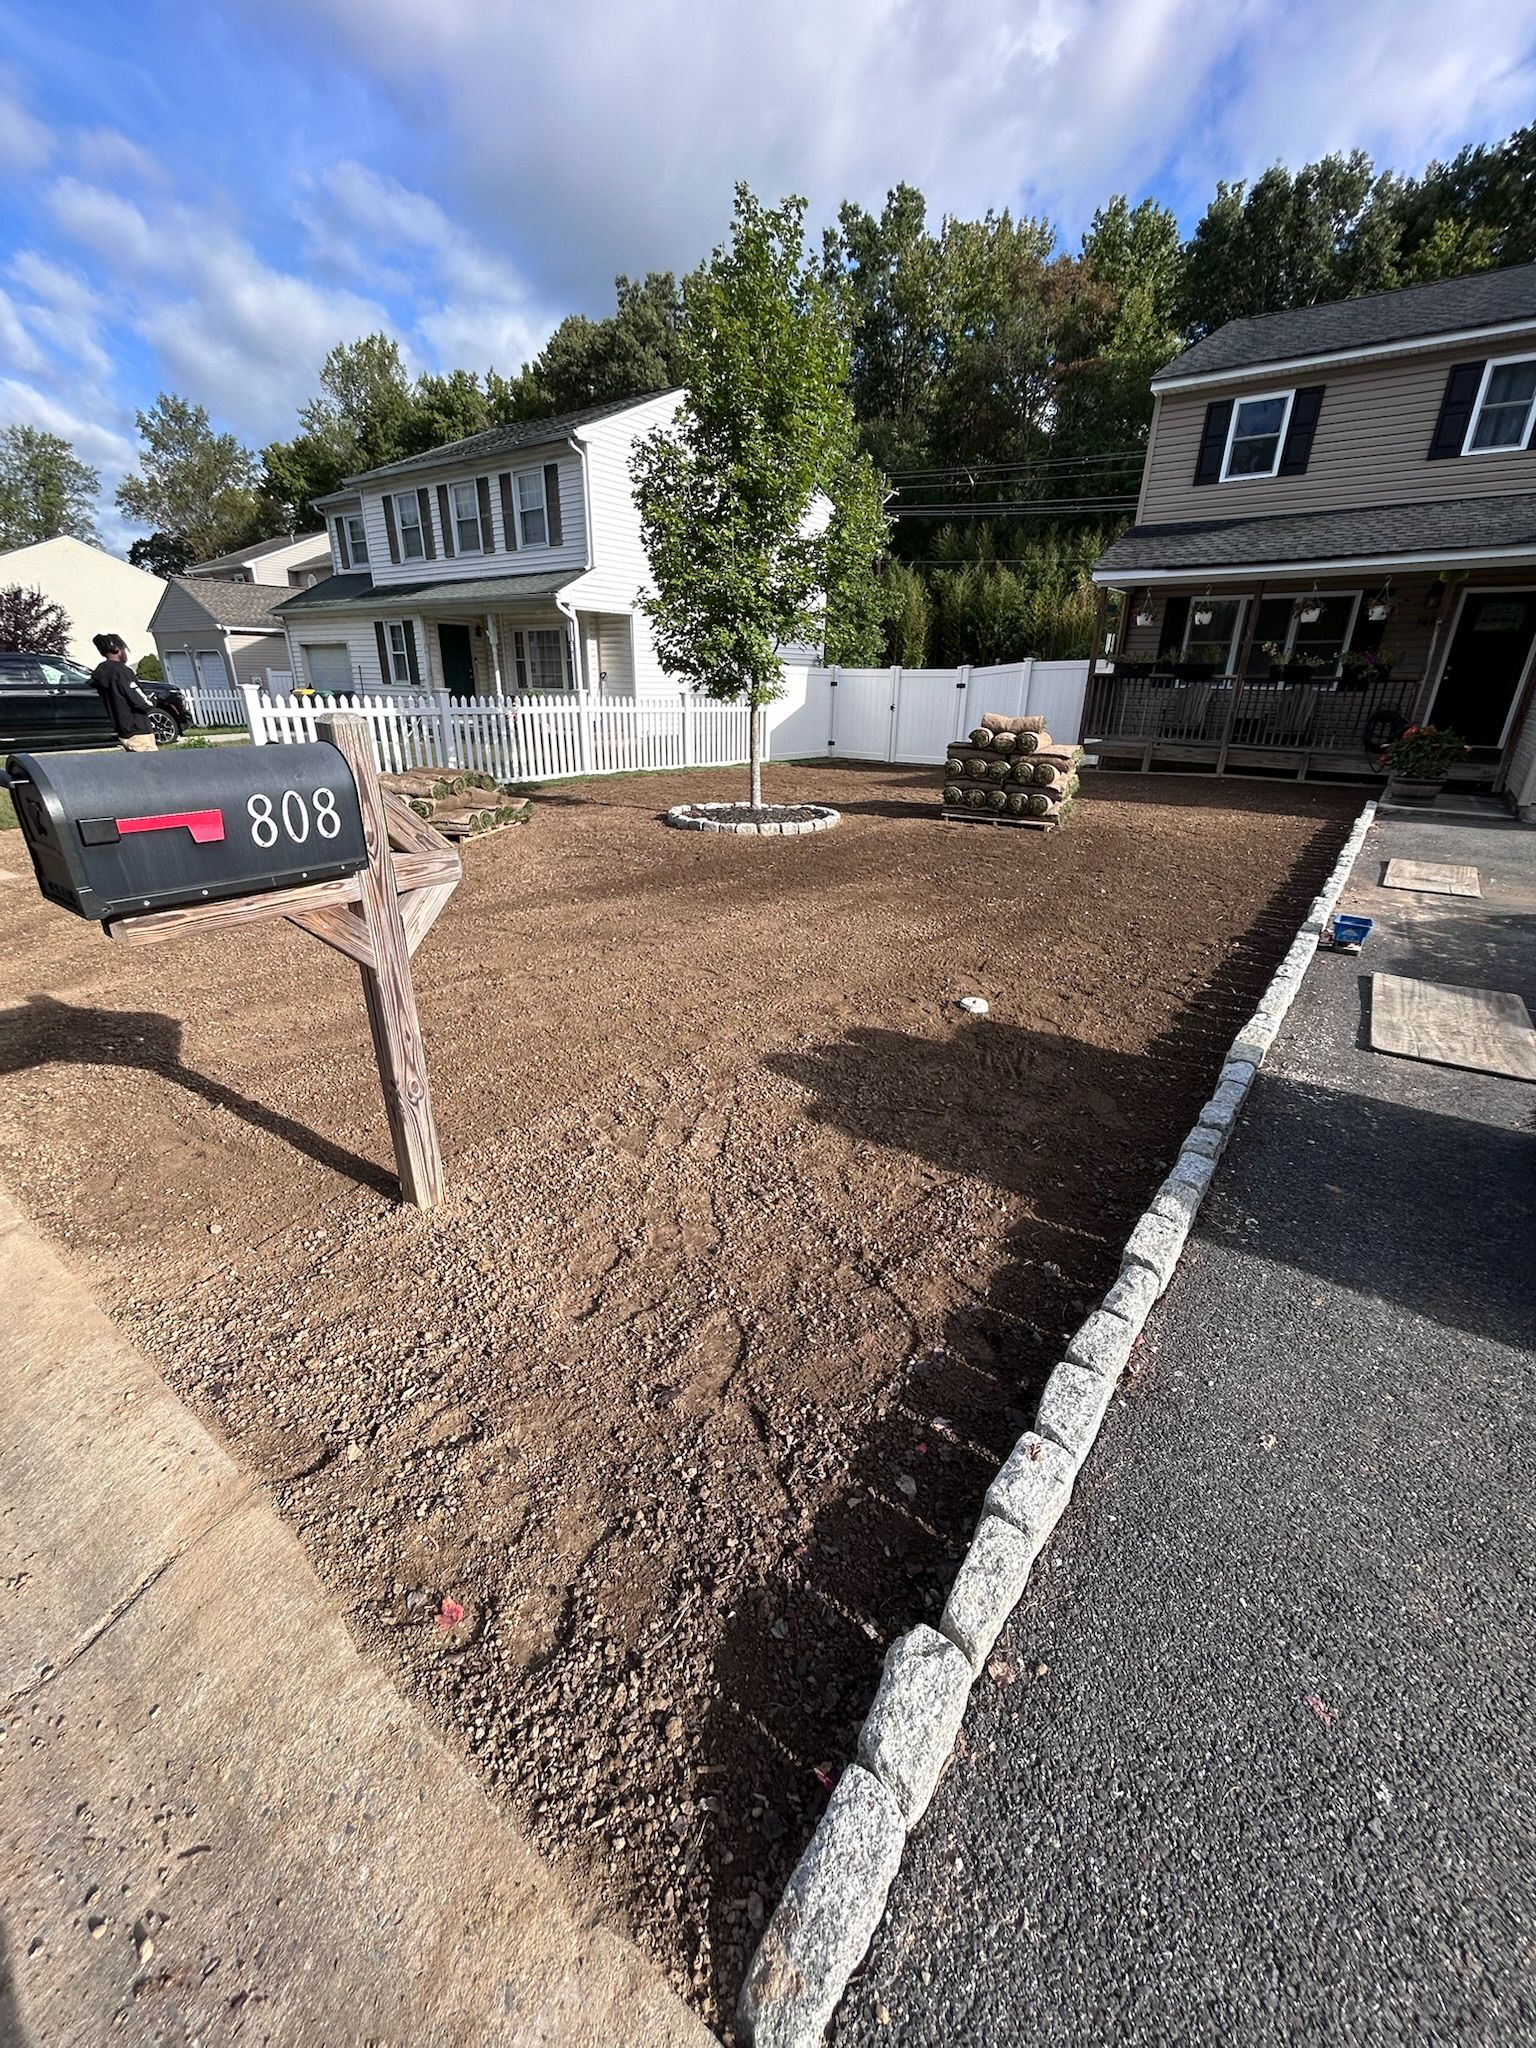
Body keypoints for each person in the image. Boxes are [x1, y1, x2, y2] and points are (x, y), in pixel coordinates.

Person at [90, 633, 158, 751]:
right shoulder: (122, 671)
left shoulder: (101, 672)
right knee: (152, 766)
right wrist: (151, 701)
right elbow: (138, 699)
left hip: (122, 730)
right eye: (124, 649)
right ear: (117, 650)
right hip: (138, 729)